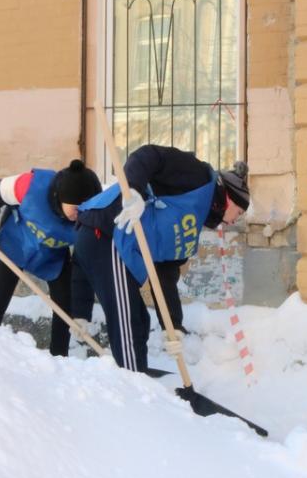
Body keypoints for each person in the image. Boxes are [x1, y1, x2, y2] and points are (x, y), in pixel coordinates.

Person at [74, 145, 249, 373]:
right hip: (109, 232)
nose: (236, 220)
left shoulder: (193, 221)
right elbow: (147, 156)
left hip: (120, 244)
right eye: (239, 212)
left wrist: (172, 325)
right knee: (128, 321)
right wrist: (134, 192)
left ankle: (136, 374)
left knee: (139, 319)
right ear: (230, 199)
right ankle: (132, 384)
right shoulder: (196, 176)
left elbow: (166, 273)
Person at [0, 159, 103, 357]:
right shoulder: (29, 186)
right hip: (15, 244)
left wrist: (81, 314)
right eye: (75, 208)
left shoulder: (92, 219)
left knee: (64, 309)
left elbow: (84, 266)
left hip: (53, 257)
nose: (79, 214)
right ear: (60, 198)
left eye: (85, 208)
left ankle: (59, 358)